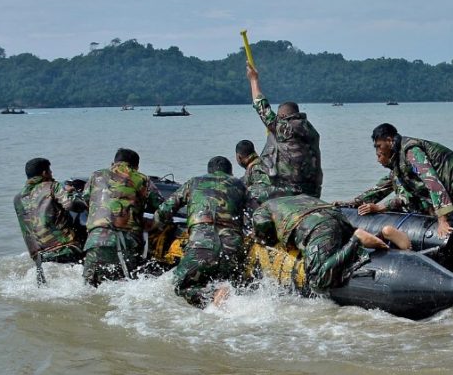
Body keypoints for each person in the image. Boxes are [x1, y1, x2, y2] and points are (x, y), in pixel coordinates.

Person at [249, 185, 410, 292]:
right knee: (341, 250)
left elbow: (264, 229)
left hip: (315, 227)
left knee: (317, 282)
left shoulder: (264, 207)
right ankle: (383, 235)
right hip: (337, 218)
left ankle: (357, 239)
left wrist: (261, 238)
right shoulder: (300, 197)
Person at [155, 157, 249, 309]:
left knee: (180, 285)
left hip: (201, 246)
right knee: (235, 282)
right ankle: (224, 298)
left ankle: (213, 294)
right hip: (233, 247)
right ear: (230, 172)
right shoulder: (240, 185)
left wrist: (158, 228)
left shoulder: (194, 182)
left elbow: (164, 211)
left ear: (208, 171)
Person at [80, 148, 164, 286]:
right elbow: (160, 206)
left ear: (113, 163)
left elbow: (85, 200)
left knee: (89, 287)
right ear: (136, 166)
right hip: (127, 242)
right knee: (126, 286)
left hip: (96, 241)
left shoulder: (96, 176)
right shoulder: (142, 179)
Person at [246, 62, 323, 198]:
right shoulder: (311, 130)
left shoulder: (286, 127)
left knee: (250, 193)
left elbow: (261, 107)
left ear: (282, 116)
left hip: (292, 190)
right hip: (315, 191)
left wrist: (253, 80)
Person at [14, 157, 86, 266]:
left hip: (39, 257)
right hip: (65, 249)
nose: (52, 173)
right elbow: (71, 205)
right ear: (44, 173)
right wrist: (72, 195)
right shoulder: (52, 187)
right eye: (50, 171)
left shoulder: (18, 198)